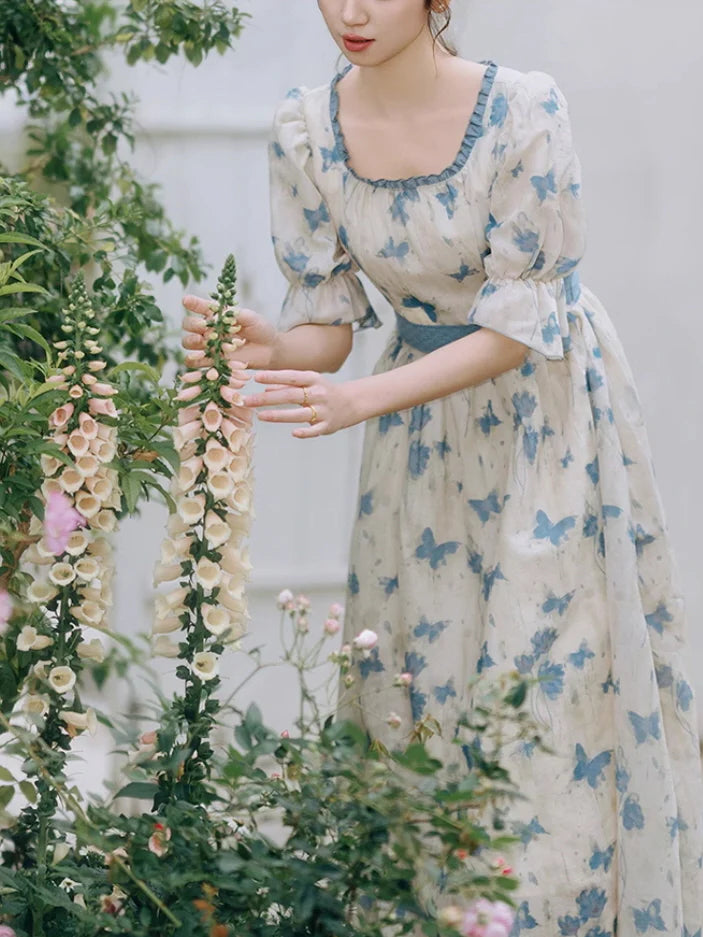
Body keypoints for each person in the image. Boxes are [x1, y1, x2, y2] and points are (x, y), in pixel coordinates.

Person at [180, 1, 703, 933]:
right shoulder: (307, 127)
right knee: (422, 705)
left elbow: (518, 327)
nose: (348, 12)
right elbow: (331, 328)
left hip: (548, 432)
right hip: (421, 459)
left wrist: (358, 403)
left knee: (550, 705)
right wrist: (265, 343)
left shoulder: (522, 110)